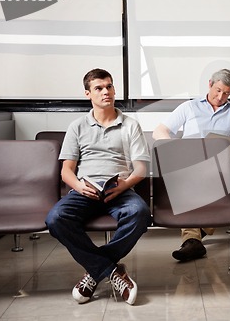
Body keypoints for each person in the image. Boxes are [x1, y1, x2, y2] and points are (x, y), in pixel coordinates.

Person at [45, 68, 152, 305]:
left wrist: (124, 185)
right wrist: (80, 187)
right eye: (99, 88)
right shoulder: (77, 126)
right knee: (55, 218)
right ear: (87, 93)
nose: (107, 92)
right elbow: (66, 171)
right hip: (85, 190)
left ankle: (94, 272)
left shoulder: (130, 125)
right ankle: (110, 270)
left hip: (120, 189)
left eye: (110, 86)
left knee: (141, 213)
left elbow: (141, 170)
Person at [153, 68, 230, 262]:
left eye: (227, 93)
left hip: (220, 169)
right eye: (218, 90)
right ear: (210, 84)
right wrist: (177, 149)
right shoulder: (189, 107)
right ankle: (194, 239)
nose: (221, 97)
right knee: (188, 185)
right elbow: (160, 131)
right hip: (191, 168)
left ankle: (195, 236)